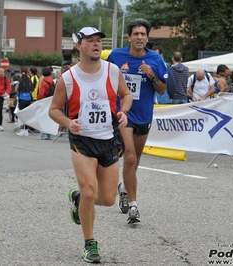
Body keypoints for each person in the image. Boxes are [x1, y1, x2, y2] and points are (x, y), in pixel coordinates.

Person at [49, 26, 132, 263]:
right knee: (89, 191)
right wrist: (68, 122)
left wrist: (123, 112)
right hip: (82, 141)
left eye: (99, 41)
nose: (97, 44)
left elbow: (126, 95)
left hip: (108, 139)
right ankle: (89, 244)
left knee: (107, 199)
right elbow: (53, 110)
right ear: (79, 46)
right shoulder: (69, 77)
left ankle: (78, 200)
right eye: (90, 40)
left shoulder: (112, 71)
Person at [107, 18, 167, 224]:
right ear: (129, 37)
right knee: (130, 157)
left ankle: (124, 187)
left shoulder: (156, 60)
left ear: (147, 38)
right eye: (136, 34)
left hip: (144, 114)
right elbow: (105, 79)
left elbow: (162, 89)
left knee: (136, 158)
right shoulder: (116, 56)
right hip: (123, 113)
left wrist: (152, 76)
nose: (139, 37)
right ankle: (133, 205)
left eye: (143, 34)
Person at [36, 67, 54, 140]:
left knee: (43, 117)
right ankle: (49, 134)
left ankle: (43, 134)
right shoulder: (52, 81)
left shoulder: (44, 82)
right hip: (51, 100)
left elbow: (41, 94)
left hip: (45, 101)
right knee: (49, 118)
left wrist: (39, 100)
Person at [16, 66, 33, 137]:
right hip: (28, 98)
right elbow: (32, 88)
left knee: (22, 115)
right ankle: (26, 130)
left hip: (22, 98)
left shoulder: (20, 80)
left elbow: (17, 88)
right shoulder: (29, 79)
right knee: (27, 114)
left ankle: (23, 130)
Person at [0, 67, 11, 131]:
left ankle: (0, 125)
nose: (3, 73)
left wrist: (6, 93)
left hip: (1, 95)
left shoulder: (5, 78)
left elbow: (9, 86)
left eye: (3, 72)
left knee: (0, 110)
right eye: (1, 72)